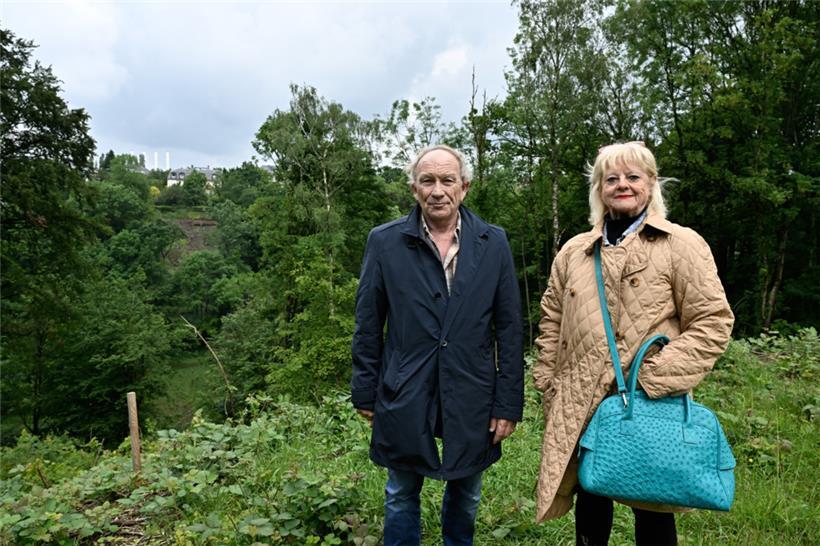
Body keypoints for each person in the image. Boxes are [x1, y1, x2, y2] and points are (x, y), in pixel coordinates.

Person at [532, 142, 734, 545]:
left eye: (633, 177)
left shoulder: (681, 244)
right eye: (611, 178)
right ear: (599, 189)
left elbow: (713, 321)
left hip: (648, 401)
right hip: (581, 398)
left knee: (653, 500)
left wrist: (654, 376)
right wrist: (547, 378)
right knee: (592, 490)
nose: (622, 185)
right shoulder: (574, 251)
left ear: (651, 184)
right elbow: (552, 319)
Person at [351, 145, 524, 546]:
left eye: (447, 180)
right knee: (400, 492)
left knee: (467, 493)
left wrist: (507, 402)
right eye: (427, 181)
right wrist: (365, 389)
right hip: (404, 386)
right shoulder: (385, 242)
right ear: (414, 189)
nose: (437, 190)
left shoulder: (493, 242)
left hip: (473, 388)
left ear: (464, 187)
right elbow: (368, 322)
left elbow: (510, 329)